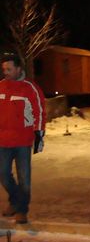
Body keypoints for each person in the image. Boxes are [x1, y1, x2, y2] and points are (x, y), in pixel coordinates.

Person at [0, 52, 46, 224]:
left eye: (9, 69)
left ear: (19, 68)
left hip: (22, 142)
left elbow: (40, 111)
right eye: (4, 69)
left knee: (24, 178)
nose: (6, 72)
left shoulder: (30, 88)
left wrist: (39, 134)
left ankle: (21, 210)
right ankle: (15, 200)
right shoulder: (1, 86)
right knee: (3, 174)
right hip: (2, 141)